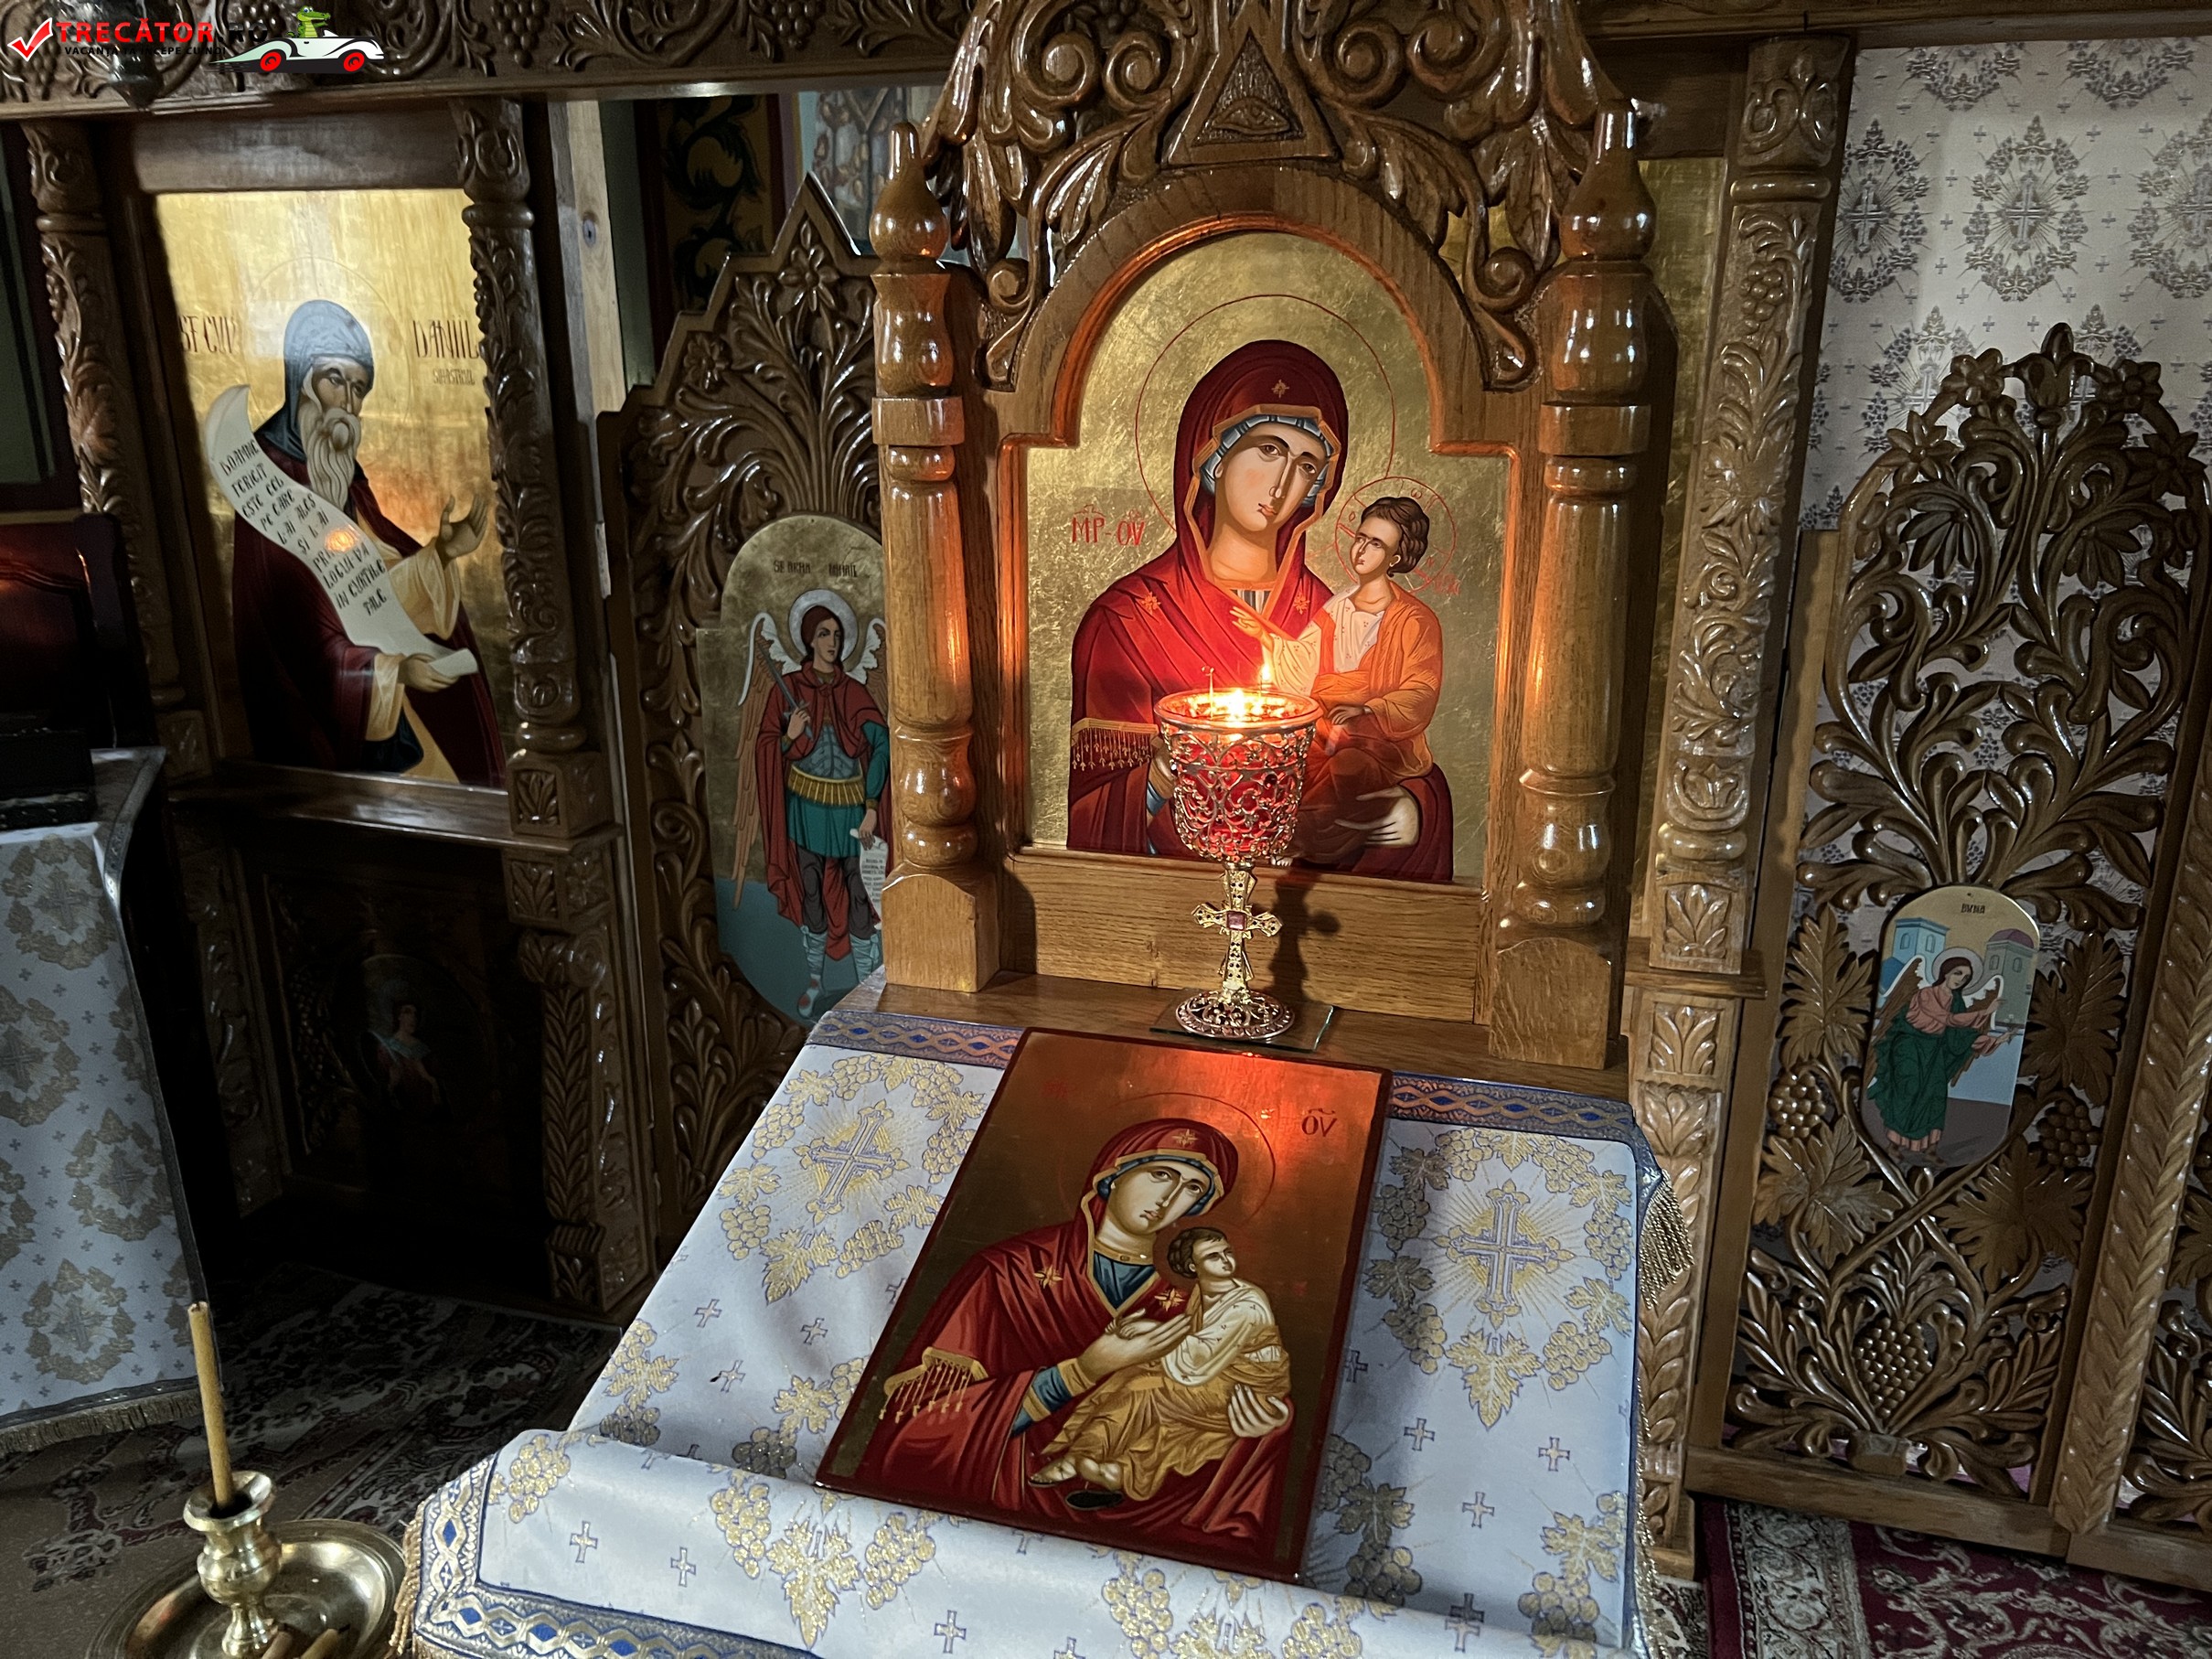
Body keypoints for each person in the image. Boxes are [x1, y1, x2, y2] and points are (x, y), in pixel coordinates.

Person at [1065, 338, 1451, 879]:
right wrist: (1156, 782)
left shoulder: (1335, 614)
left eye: (1306, 465)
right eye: (1269, 449)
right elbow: (1090, 821)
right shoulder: (1127, 619)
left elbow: (1391, 749)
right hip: (1174, 902)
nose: (1282, 482)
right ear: (1213, 456)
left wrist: (1415, 809)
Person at [855, 1118, 1292, 1553]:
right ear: (1113, 1174)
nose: (1168, 1198)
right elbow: (917, 1428)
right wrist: (1082, 1372)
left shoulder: (1192, 1303)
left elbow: (1222, 1398)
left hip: (1139, 1528)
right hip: (999, 1500)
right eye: (1161, 1174)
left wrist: (1261, 1429)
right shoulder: (1008, 1274)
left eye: (1192, 1188)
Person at [230, 300, 504, 783]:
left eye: (358, 389)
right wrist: (392, 673)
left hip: (383, 707)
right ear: (301, 380)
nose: (349, 405)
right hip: (325, 730)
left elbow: (370, 585)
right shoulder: (267, 479)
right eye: (335, 380)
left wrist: (440, 554)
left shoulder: (340, 473)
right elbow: (296, 640)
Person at [1029, 1226, 1289, 1502]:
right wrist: (1138, 1336)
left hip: (1244, 1388)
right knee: (1131, 1377)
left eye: (1227, 1252)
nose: (1226, 1260)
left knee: (1144, 1389)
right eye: (1213, 1256)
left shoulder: (1247, 1303)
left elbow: (1198, 1356)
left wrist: (1150, 1331)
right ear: (1193, 1266)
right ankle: (1105, 1464)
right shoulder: (1203, 1294)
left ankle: (1086, 1458)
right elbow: (1195, 1340)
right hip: (1215, 1376)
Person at [1273, 497, 1445, 867]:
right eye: (1360, 538)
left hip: (1380, 740)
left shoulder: (1415, 619)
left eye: (1376, 544)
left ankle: (1301, 838)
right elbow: (1304, 664)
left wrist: (1369, 708)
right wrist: (1269, 643)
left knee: (1348, 767)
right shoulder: (1336, 607)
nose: (1362, 550)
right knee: (1289, 762)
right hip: (1324, 726)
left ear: (1396, 557)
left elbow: (1422, 689)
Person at [753, 603, 888, 1015]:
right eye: (824, 634)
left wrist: (871, 805)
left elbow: (882, 744)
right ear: (809, 640)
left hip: (850, 809)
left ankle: (869, 986)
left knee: (860, 896)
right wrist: (790, 736)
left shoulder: (853, 692)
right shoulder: (789, 688)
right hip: (806, 809)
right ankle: (815, 983)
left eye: (838, 635)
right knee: (811, 895)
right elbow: (765, 748)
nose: (833, 642)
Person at [1867, 953, 2006, 1152]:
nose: (1961, 979)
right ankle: (1893, 1143)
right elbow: (1948, 1019)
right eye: (1958, 973)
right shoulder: (1926, 994)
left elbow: (1959, 1036)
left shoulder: (1957, 1002)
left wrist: (1993, 1041)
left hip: (1934, 1049)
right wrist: (1985, 1012)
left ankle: (1930, 1149)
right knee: (1910, 1087)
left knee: (1936, 1093)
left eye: (1966, 977)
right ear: (1945, 973)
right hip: (1910, 1044)